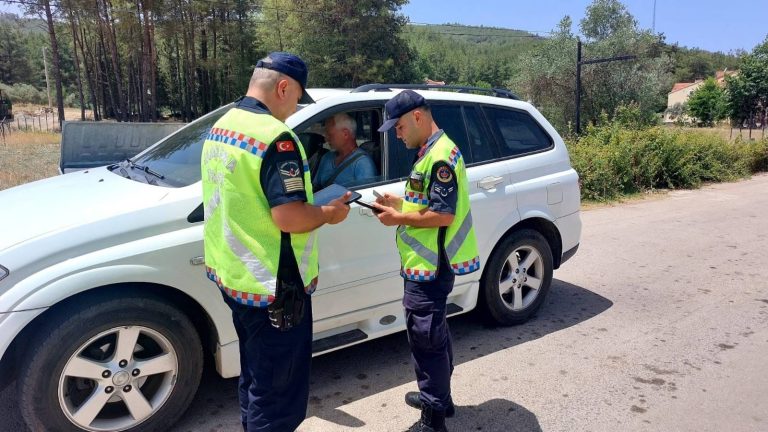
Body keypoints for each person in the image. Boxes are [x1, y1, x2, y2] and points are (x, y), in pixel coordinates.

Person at [201, 52, 351, 432]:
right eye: (297, 97)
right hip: (275, 289)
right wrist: (330, 213)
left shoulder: (222, 126)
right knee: (279, 396)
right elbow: (290, 217)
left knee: (254, 376)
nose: (294, 108)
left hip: (233, 277)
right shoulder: (278, 139)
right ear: (283, 87)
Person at [373, 90, 480, 432]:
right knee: (434, 333)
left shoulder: (440, 157)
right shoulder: (432, 151)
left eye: (399, 126)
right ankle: (440, 399)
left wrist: (397, 218)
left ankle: (433, 419)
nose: (397, 133)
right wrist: (399, 203)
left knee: (426, 338)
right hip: (426, 263)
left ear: (417, 117)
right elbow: (427, 201)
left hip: (432, 266)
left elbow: (443, 215)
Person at [313, 112, 377, 189]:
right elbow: (315, 187)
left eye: (330, 135)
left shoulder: (362, 164)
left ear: (345, 134)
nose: (326, 139)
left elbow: (366, 196)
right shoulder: (327, 157)